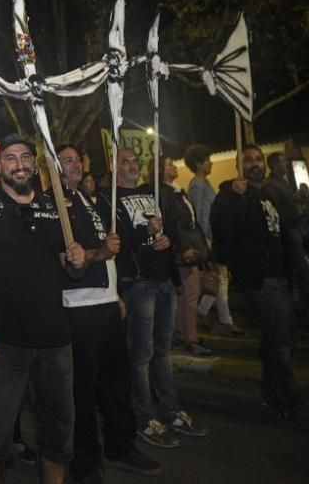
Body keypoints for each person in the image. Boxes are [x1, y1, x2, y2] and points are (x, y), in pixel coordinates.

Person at [0, 133, 86, 484]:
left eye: (26, 157)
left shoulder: (55, 206)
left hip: (55, 341)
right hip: (2, 344)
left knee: (58, 433)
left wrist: (77, 261)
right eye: (11, 158)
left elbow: (70, 266)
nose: (20, 164)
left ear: (35, 163)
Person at [55, 144, 161, 482]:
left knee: (117, 382)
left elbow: (114, 248)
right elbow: (61, 258)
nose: (73, 165)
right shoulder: (52, 204)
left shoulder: (94, 200)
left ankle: (121, 444)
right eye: (65, 160)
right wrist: (98, 253)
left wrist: (114, 294)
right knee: (82, 391)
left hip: (106, 304)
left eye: (76, 159)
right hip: (77, 307)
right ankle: (84, 461)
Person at [211, 146, 309, 432]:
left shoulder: (266, 194)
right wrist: (233, 197)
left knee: (281, 338)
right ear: (238, 165)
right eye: (247, 160)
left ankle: (272, 392)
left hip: (279, 279)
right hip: (260, 280)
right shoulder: (230, 194)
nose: (253, 164)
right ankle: (291, 404)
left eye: (257, 159)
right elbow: (221, 226)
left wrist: (294, 279)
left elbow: (282, 236)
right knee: (280, 343)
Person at [114, 148, 208, 449]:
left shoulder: (150, 193)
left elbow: (166, 232)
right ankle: (144, 417)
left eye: (134, 161)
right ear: (115, 166)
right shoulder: (109, 198)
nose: (132, 166)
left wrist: (167, 240)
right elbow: (117, 242)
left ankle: (170, 411)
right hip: (138, 283)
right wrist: (145, 232)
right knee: (140, 356)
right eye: (124, 161)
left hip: (163, 280)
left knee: (162, 352)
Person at [152, 155, 213, 357]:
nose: (174, 167)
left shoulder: (177, 191)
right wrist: (181, 247)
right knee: (190, 295)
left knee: (187, 295)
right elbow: (171, 224)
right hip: (182, 251)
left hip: (189, 247)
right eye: (169, 165)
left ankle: (181, 333)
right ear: (160, 170)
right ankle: (190, 338)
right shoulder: (164, 193)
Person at [264, 152, 309, 319]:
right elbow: (278, 212)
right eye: (282, 162)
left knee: (303, 269)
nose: (286, 165)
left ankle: (304, 303)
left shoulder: (282, 182)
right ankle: (308, 305)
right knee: (302, 269)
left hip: (295, 230)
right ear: (274, 165)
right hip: (288, 232)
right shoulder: (272, 185)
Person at [184, 144, 244, 337]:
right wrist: (206, 238)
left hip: (211, 237)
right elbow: (199, 214)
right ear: (199, 164)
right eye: (207, 160)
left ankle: (205, 313)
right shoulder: (198, 185)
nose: (210, 164)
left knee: (219, 278)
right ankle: (224, 320)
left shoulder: (203, 183)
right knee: (220, 278)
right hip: (208, 238)